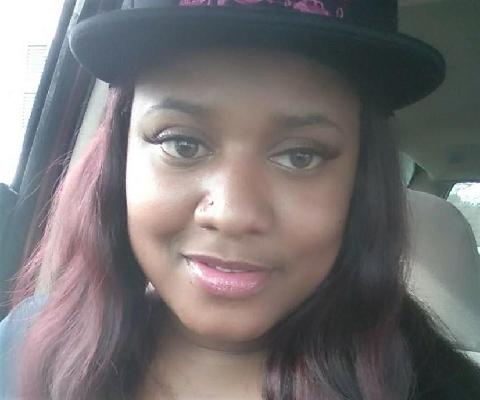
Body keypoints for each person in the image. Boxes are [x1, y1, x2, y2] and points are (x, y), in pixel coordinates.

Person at [1, 1, 479, 399]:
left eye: (300, 156)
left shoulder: (439, 387)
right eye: (181, 144)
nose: (233, 214)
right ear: (119, 163)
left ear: (360, 184)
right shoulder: (25, 343)